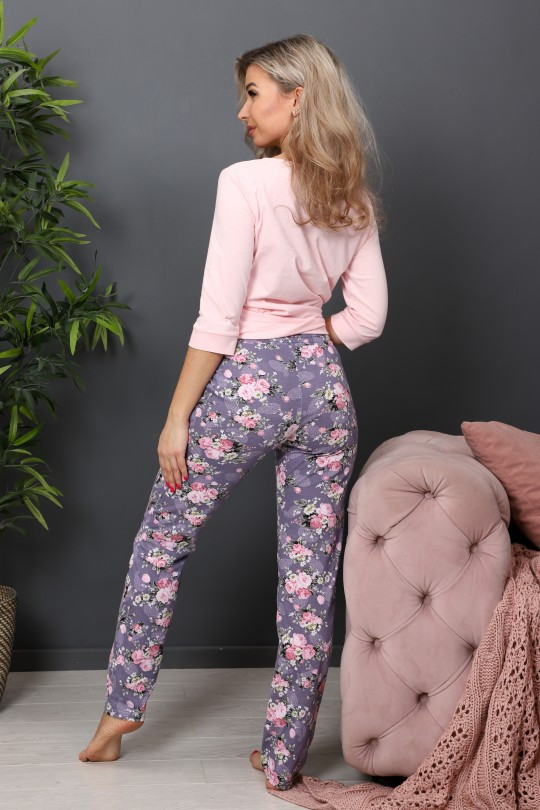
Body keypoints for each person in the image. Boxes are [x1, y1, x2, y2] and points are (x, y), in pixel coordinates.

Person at [78, 33, 389, 794]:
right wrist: (311, 337)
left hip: (248, 383)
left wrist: (177, 417)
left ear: (297, 98)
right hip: (325, 394)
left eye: (253, 93)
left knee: (163, 539)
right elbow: (369, 318)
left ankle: (120, 714)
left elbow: (218, 318)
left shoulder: (245, 183)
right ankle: (284, 757)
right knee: (310, 577)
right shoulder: (351, 197)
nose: (241, 111)